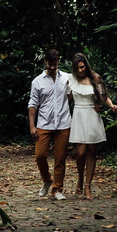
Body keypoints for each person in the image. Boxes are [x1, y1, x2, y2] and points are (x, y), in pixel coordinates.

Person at [66, 53, 117, 200]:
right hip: (78, 114)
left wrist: (111, 105)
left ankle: (88, 186)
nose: (80, 71)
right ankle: (80, 179)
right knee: (81, 152)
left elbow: (104, 96)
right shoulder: (71, 79)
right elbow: (66, 99)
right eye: (77, 68)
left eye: (82, 67)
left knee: (91, 152)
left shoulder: (95, 78)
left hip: (92, 114)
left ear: (86, 65)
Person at [28, 49, 73, 200]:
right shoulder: (37, 81)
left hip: (63, 123)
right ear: (45, 62)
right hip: (44, 124)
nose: (53, 67)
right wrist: (32, 126)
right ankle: (47, 180)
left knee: (60, 158)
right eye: (50, 64)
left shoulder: (67, 78)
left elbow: (72, 94)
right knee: (40, 155)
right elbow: (33, 104)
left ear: (58, 62)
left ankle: (57, 189)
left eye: (55, 64)